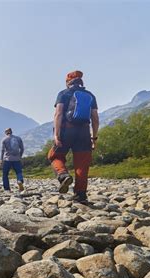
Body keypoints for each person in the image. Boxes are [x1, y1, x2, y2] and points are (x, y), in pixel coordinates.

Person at [48, 70, 99, 203]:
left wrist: (56, 135)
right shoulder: (90, 95)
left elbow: (58, 114)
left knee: (55, 156)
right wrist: (94, 137)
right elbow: (95, 118)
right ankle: (80, 195)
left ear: (67, 82)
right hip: (84, 132)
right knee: (82, 164)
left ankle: (63, 175)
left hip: (67, 130)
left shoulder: (64, 93)